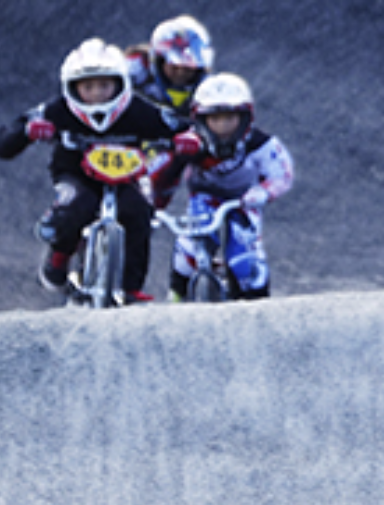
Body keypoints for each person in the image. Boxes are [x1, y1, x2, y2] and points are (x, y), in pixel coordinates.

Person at [0, 37, 186, 303]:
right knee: (79, 204)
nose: (97, 93)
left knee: (139, 211)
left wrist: (189, 138)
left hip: (126, 176)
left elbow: (178, 124)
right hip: (75, 174)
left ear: (120, 84)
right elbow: (8, 140)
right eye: (88, 86)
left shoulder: (137, 109)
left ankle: (131, 286)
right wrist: (27, 132)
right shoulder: (56, 109)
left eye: (104, 85)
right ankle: (59, 255)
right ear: (73, 87)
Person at [158, 72, 294, 301]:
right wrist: (154, 200)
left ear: (245, 117)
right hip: (204, 196)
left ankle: (257, 304)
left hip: (244, 199)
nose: (223, 126)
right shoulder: (188, 143)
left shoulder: (261, 144)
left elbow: (282, 174)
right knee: (189, 246)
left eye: (229, 118)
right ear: (201, 119)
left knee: (245, 258)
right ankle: (177, 294)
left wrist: (264, 192)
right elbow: (161, 173)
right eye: (215, 118)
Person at [126, 14, 214, 117]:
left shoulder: (209, 92)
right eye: (174, 67)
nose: (181, 73)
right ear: (159, 61)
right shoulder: (130, 76)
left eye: (188, 69)